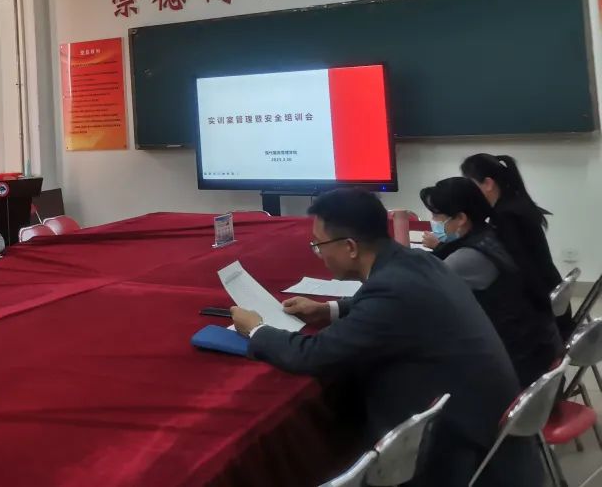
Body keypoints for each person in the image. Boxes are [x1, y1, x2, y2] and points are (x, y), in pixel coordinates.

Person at [230, 188, 540, 487]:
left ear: (350, 247)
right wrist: (329, 310)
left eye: (319, 245)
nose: (319, 254)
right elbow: (387, 304)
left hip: (460, 442)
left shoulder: (390, 290)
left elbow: (312, 355)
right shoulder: (417, 260)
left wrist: (257, 329)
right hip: (492, 420)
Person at [420, 177, 560, 387]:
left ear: (461, 218)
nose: (433, 220)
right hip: (533, 352)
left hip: (513, 369)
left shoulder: (466, 258)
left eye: (437, 215)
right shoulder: (491, 235)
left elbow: (425, 297)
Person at [459, 153, 571, 338]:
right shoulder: (517, 204)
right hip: (551, 297)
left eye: (471, 185)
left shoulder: (505, 216)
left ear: (488, 183)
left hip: (541, 312)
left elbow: (521, 268)